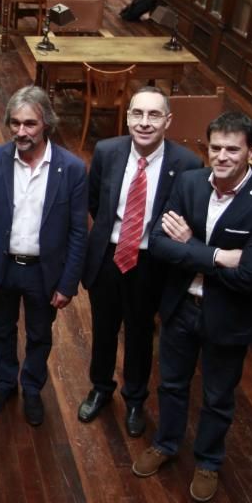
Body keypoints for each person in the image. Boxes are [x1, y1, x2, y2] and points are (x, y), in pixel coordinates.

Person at [132, 111, 252, 503]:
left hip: (228, 316)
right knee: (170, 384)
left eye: (232, 150)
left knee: (218, 395)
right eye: (215, 147)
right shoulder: (189, 183)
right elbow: (161, 245)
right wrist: (219, 255)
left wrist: (191, 247)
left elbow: (249, 277)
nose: (221, 157)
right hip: (181, 306)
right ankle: (166, 444)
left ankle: (208, 461)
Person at [77, 87, 202, 438]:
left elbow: (185, 217)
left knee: (140, 331)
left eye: (154, 115)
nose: (144, 123)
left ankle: (135, 398)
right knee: (103, 328)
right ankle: (101, 387)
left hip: (151, 262)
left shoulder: (187, 164)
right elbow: (95, 204)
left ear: (168, 121)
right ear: (128, 115)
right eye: (137, 114)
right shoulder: (106, 151)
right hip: (108, 256)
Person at [0, 86, 87, 426]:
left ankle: (32, 388)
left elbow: (78, 232)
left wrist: (68, 284)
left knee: (40, 334)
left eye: (30, 124)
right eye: (15, 123)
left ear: (46, 124)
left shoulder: (71, 169)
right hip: (3, 266)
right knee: (2, 330)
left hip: (44, 271)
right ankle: (6, 382)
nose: (21, 132)